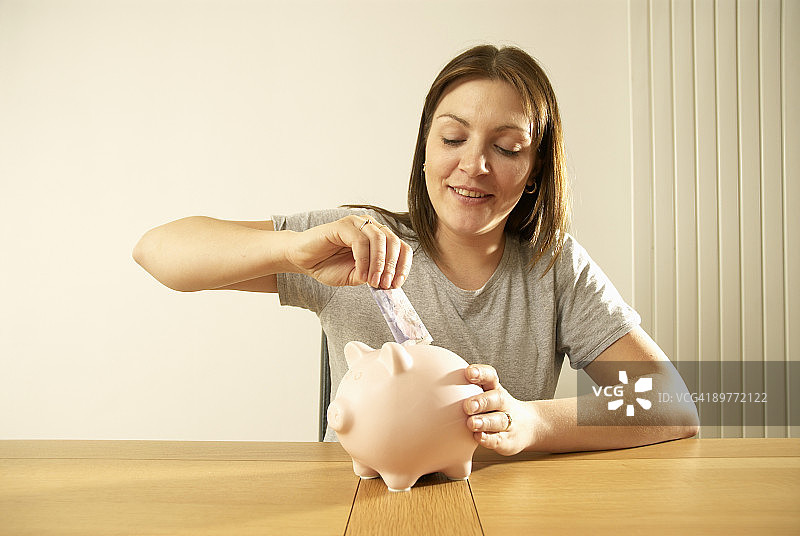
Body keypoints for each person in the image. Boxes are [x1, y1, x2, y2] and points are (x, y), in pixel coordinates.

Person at [133, 44, 699, 454]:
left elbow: (672, 406)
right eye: (453, 139)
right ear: (424, 150)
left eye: (506, 147)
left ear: (533, 172)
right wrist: (291, 250)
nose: (473, 164)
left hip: (501, 504)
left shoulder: (554, 268)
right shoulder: (352, 243)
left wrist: (531, 423)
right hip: (356, 505)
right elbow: (157, 251)